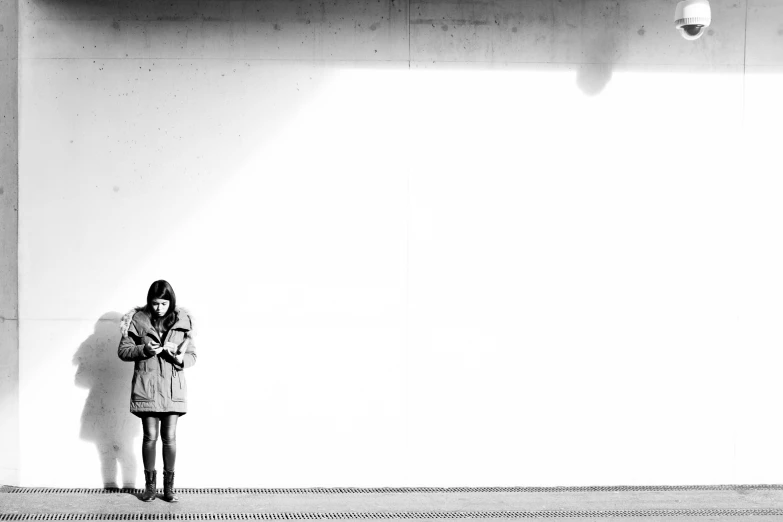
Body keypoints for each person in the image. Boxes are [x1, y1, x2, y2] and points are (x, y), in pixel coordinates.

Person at [117, 280, 197, 502]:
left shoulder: (184, 321)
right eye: (155, 303)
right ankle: (150, 487)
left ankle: (169, 488)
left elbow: (192, 356)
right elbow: (123, 351)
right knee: (150, 437)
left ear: (171, 301)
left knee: (169, 438)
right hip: (148, 389)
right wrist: (144, 349)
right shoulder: (138, 320)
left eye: (163, 303)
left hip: (172, 389)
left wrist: (180, 357)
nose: (159, 308)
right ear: (149, 302)